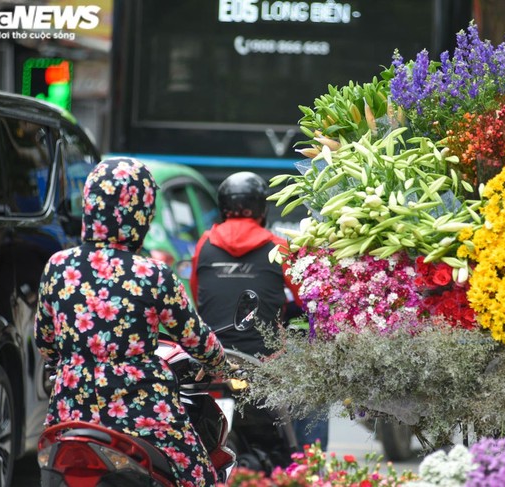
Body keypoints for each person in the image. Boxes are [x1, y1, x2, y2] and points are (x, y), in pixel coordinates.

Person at [34, 157, 227, 486]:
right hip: (142, 417)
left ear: (91, 204)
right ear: (142, 212)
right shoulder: (152, 272)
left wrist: (72, 362)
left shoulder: (58, 266)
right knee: (199, 476)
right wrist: (219, 360)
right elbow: (194, 337)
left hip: (69, 413)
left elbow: (45, 342)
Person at [190, 170, 329, 450]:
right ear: (263, 208)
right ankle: (309, 468)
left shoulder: (204, 244)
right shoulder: (278, 247)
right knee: (315, 394)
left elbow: (197, 296)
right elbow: (306, 299)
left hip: (212, 361)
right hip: (264, 363)